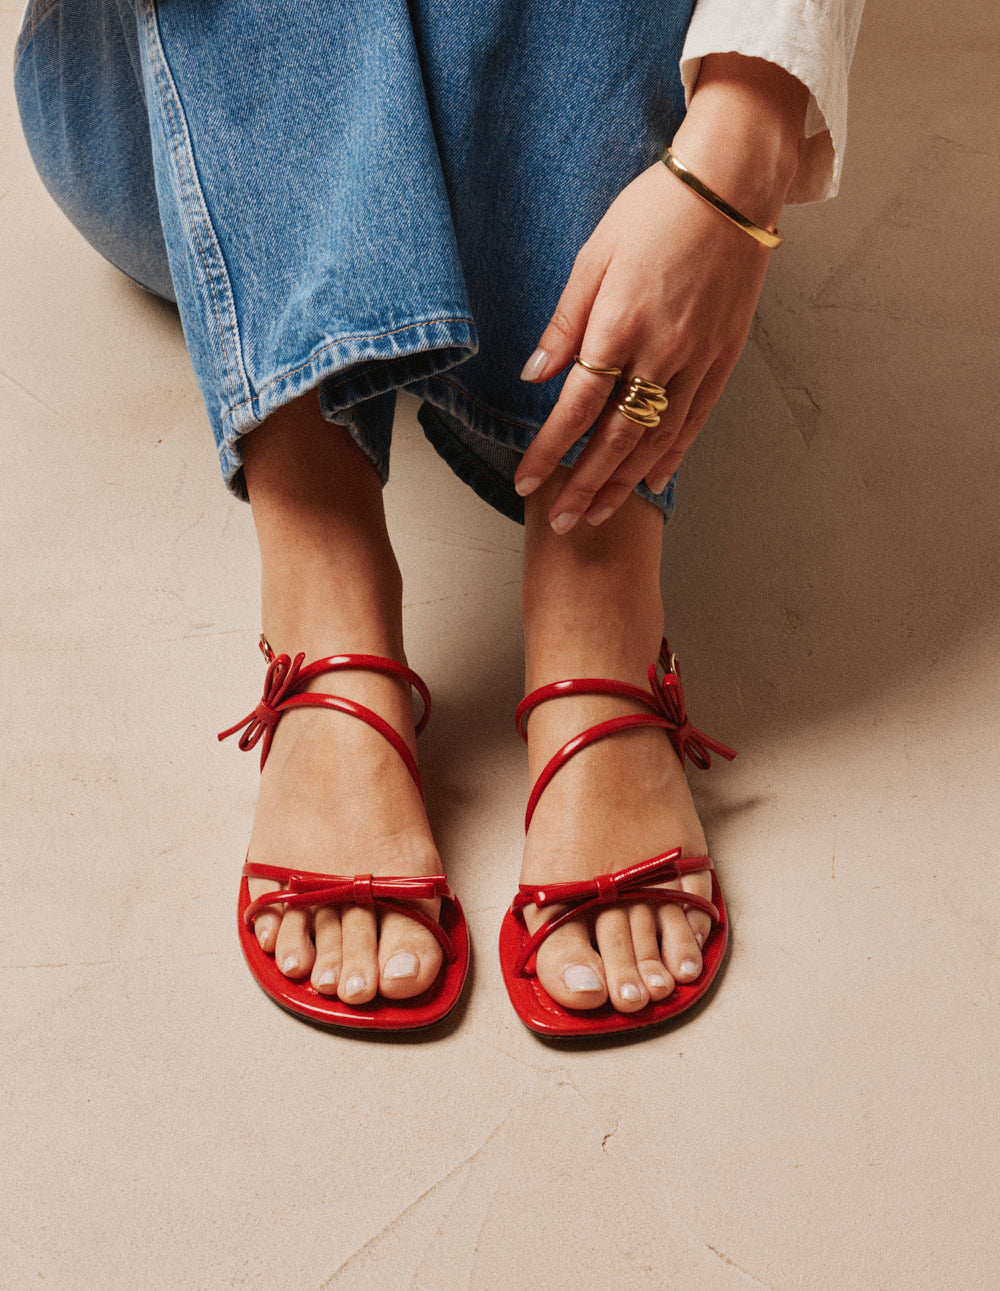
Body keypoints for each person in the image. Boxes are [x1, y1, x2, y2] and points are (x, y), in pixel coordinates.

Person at [15, 0, 864, 1036]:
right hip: (184, 116)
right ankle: (322, 586)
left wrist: (744, 137)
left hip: (650, 166)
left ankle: (596, 591)